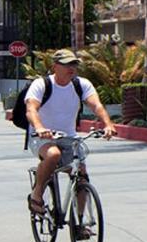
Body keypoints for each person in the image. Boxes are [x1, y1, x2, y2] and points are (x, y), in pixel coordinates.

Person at [26, 49, 117, 226]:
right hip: (42, 136)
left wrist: (108, 123)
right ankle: (36, 195)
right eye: (66, 64)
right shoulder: (41, 84)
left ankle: (81, 223)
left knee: (81, 175)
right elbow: (31, 109)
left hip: (69, 138)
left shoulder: (81, 85)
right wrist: (40, 127)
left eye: (74, 64)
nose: (71, 68)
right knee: (53, 155)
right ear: (55, 66)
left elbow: (96, 105)